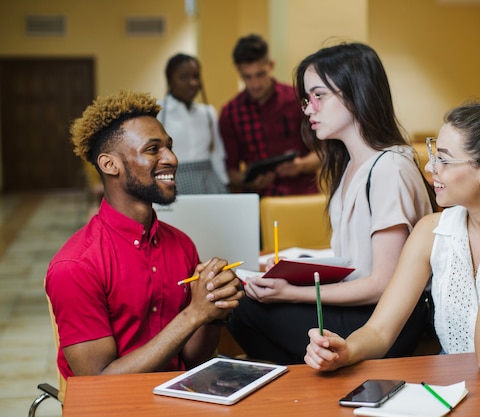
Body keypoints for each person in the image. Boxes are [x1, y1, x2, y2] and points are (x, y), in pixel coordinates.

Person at [304, 102, 480, 372]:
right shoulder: (431, 232)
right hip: (453, 388)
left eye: (444, 160)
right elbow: (379, 330)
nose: (430, 168)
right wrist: (347, 350)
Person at [227, 42, 435, 364]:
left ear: (356, 93)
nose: (309, 108)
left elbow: (382, 284)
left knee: (242, 306)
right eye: (307, 99)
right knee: (240, 297)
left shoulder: (389, 169)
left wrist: (292, 292)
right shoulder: (351, 165)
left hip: (388, 321)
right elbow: (356, 261)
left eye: (318, 95)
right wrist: (293, 275)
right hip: (360, 307)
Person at [46, 90, 244, 379]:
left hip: (178, 396)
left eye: (169, 147)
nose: (172, 159)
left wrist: (215, 308)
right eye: (153, 149)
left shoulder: (180, 244)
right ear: (109, 164)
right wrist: (194, 314)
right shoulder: (76, 266)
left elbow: (191, 357)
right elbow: (98, 381)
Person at [218, 34, 320, 196]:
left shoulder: (297, 99)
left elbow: (323, 153)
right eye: (247, 77)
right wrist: (248, 179)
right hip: (259, 202)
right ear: (239, 72)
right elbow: (231, 172)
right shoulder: (230, 113)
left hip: (301, 197)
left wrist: (300, 165)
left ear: (270, 65)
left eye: (260, 74)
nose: (255, 84)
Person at [157, 53, 229, 194]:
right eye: (183, 77)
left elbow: (216, 154)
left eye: (196, 77)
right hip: (171, 180)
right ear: (170, 80)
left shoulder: (208, 112)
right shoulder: (158, 110)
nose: (192, 83)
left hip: (208, 182)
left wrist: (225, 183)